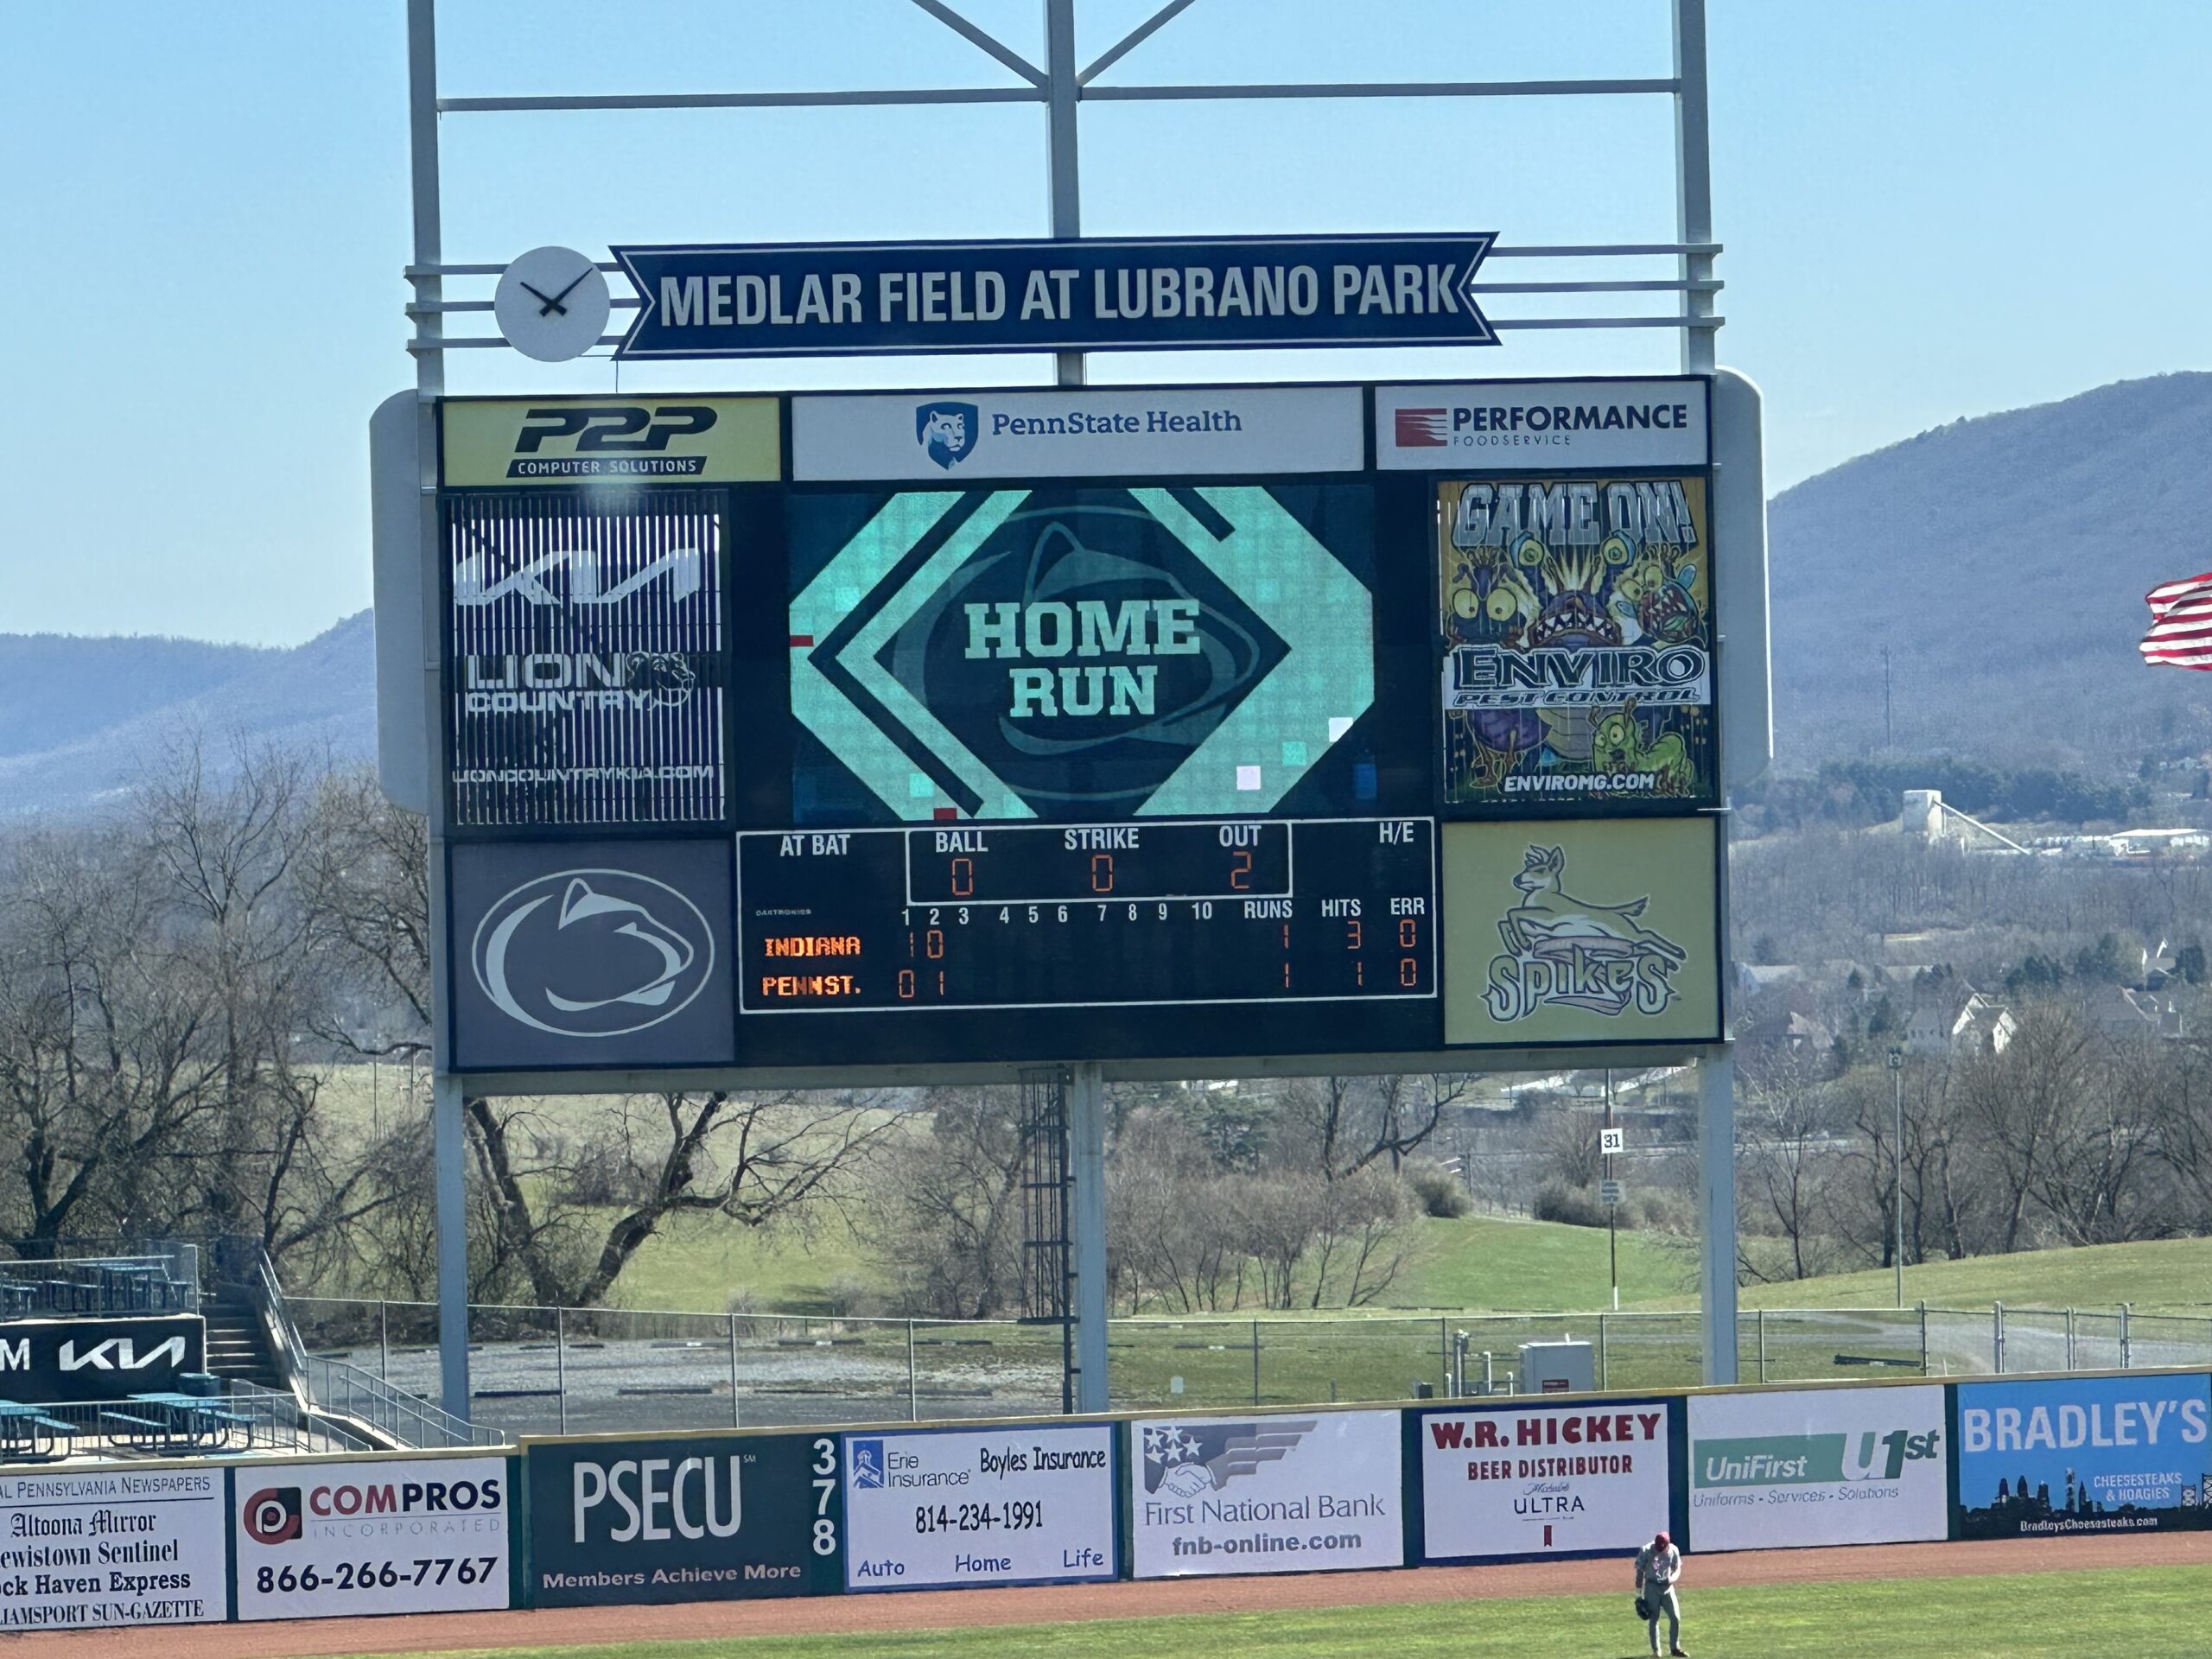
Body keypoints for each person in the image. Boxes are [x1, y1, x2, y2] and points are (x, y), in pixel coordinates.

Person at [1633, 1529, 1686, 1657]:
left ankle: (1675, 1648)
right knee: (1654, 1619)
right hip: (1652, 1587)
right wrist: (1639, 1593)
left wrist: (1672, 1579)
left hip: (1667, 1588)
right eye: (1658, 1547)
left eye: (1662, 1548)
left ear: (1667, 1544)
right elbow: (1639, 1569)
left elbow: (1677, 1568)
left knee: (1675, 1617)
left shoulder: (1673, 1550)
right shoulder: (1646, 1550)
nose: (1659, 1550)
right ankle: (1656, 1651)